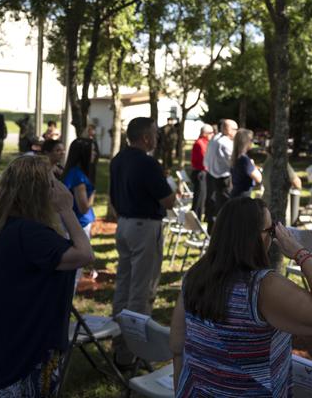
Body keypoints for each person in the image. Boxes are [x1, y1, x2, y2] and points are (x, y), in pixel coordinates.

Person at [169, 197, 312, 396]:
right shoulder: (261, 287)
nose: (273, 237)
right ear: (253, 237)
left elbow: (177, 346)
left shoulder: (194, 276)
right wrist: (300, 253)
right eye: (271, 231)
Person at [0, 155, 94, 397]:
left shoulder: (4, 225)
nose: (58, 188)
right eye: (52, 183)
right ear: (40, 191)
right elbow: (84, 254)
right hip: (24, 348)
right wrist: (66, 210)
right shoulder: (30, 233)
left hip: (1, 340)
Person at [110, 117, 175, 368]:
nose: (157, 139)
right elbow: (168, 200)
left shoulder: (118, 160)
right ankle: (133, 351)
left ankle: (118, 342)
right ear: (146, 138)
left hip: (125, 223)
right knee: (141, 290)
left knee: (124, 284)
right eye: (155, 134)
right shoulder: (147, 163)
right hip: (144, 226)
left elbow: (114, 198)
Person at [204, 119, 237, 232]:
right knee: (224, 208)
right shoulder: (225, 142)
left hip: (212, 175)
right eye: (235, 129)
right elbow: (234, 162)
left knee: (215, 205)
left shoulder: (214, 138)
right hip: (223, 178)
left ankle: (212, 230)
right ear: (229, 130)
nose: (236, 132)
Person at [62, 138, 97, 239]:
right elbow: (84, 208)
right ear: (84, 153)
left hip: (74, 224)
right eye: (92, 150)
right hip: (79, 226)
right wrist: (93, 192)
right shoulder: (78, 176)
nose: (94, 153)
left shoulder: (72, 171)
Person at [189, 124, 214, 218]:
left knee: (203, 197)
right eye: (211, 133)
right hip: (200, 173)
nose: (212, 135)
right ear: (204, 133)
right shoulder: (200, 143)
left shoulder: (206, 142)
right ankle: (195, 219)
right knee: (199, 198)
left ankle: (200, 217)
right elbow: (205, 159)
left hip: (203, 172)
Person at [230, 128, 262, 199]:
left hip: (235, 194)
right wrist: (253, 165)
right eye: (251, 140)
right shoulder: (244, 160)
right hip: (243, 197)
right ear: (246, 142)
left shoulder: (235, 157)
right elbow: (258, 178)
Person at [86, 124, 100, 188]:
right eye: (90, 130)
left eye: (92, 130)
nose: (91, 131)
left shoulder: (94, 141)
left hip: (92, 163)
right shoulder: (85, 141)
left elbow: (97, 152)